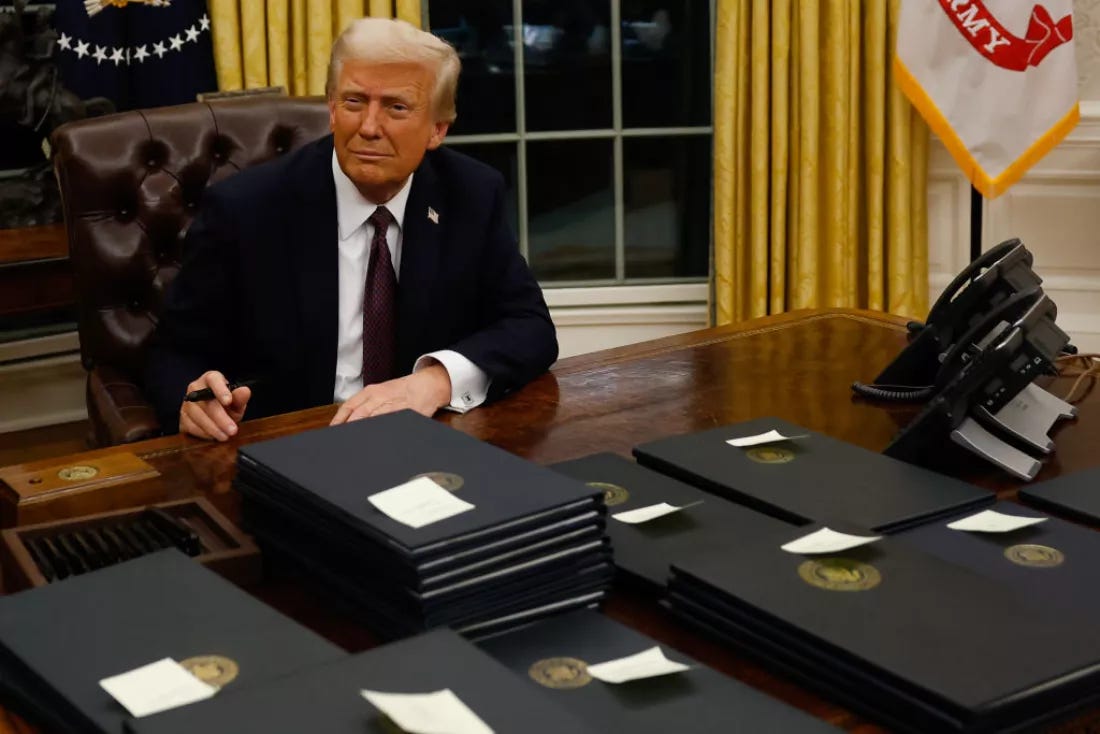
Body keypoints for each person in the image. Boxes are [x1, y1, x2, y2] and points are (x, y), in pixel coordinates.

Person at [144, 17, 557, 441]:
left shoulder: (470, 194)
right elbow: (173, 352)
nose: (369, 128)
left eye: (396, 107)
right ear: (331, 108)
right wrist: (190, 400)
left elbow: (530, 327)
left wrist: (434, 381)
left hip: (427, 438)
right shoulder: (246, 209)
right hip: (291, 442)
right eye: (354, 101)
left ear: (437, 129)